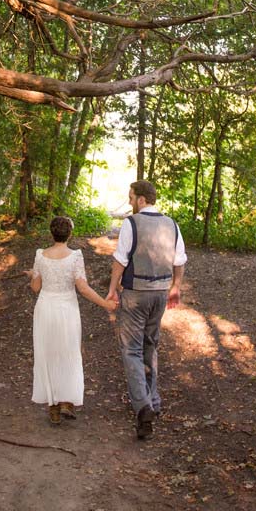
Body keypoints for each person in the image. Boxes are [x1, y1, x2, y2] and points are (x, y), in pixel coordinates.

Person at [106, 180, 186, 440]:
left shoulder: (132, 223)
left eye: (131, 197)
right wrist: (176, 287)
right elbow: (179, 260)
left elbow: (121, 258)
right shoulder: (171, 225)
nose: (129, 202)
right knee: (151, 344)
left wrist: (112, 288)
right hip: (161, 293)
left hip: (135, 294)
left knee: (131, 349)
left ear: (141, 199)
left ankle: (143, 408)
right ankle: (154, 400)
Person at [28, 215, 117, 425]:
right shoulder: (75, 256)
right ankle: (67, 401)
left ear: (52, 233)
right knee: (68, 352)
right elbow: (83, 288)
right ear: (70, 234)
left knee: (47, 354)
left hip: (46, 308)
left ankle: (53, 407)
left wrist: (32, 274)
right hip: (67, 308)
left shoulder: (40, 255)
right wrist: (105, 305)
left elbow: (35, 287)